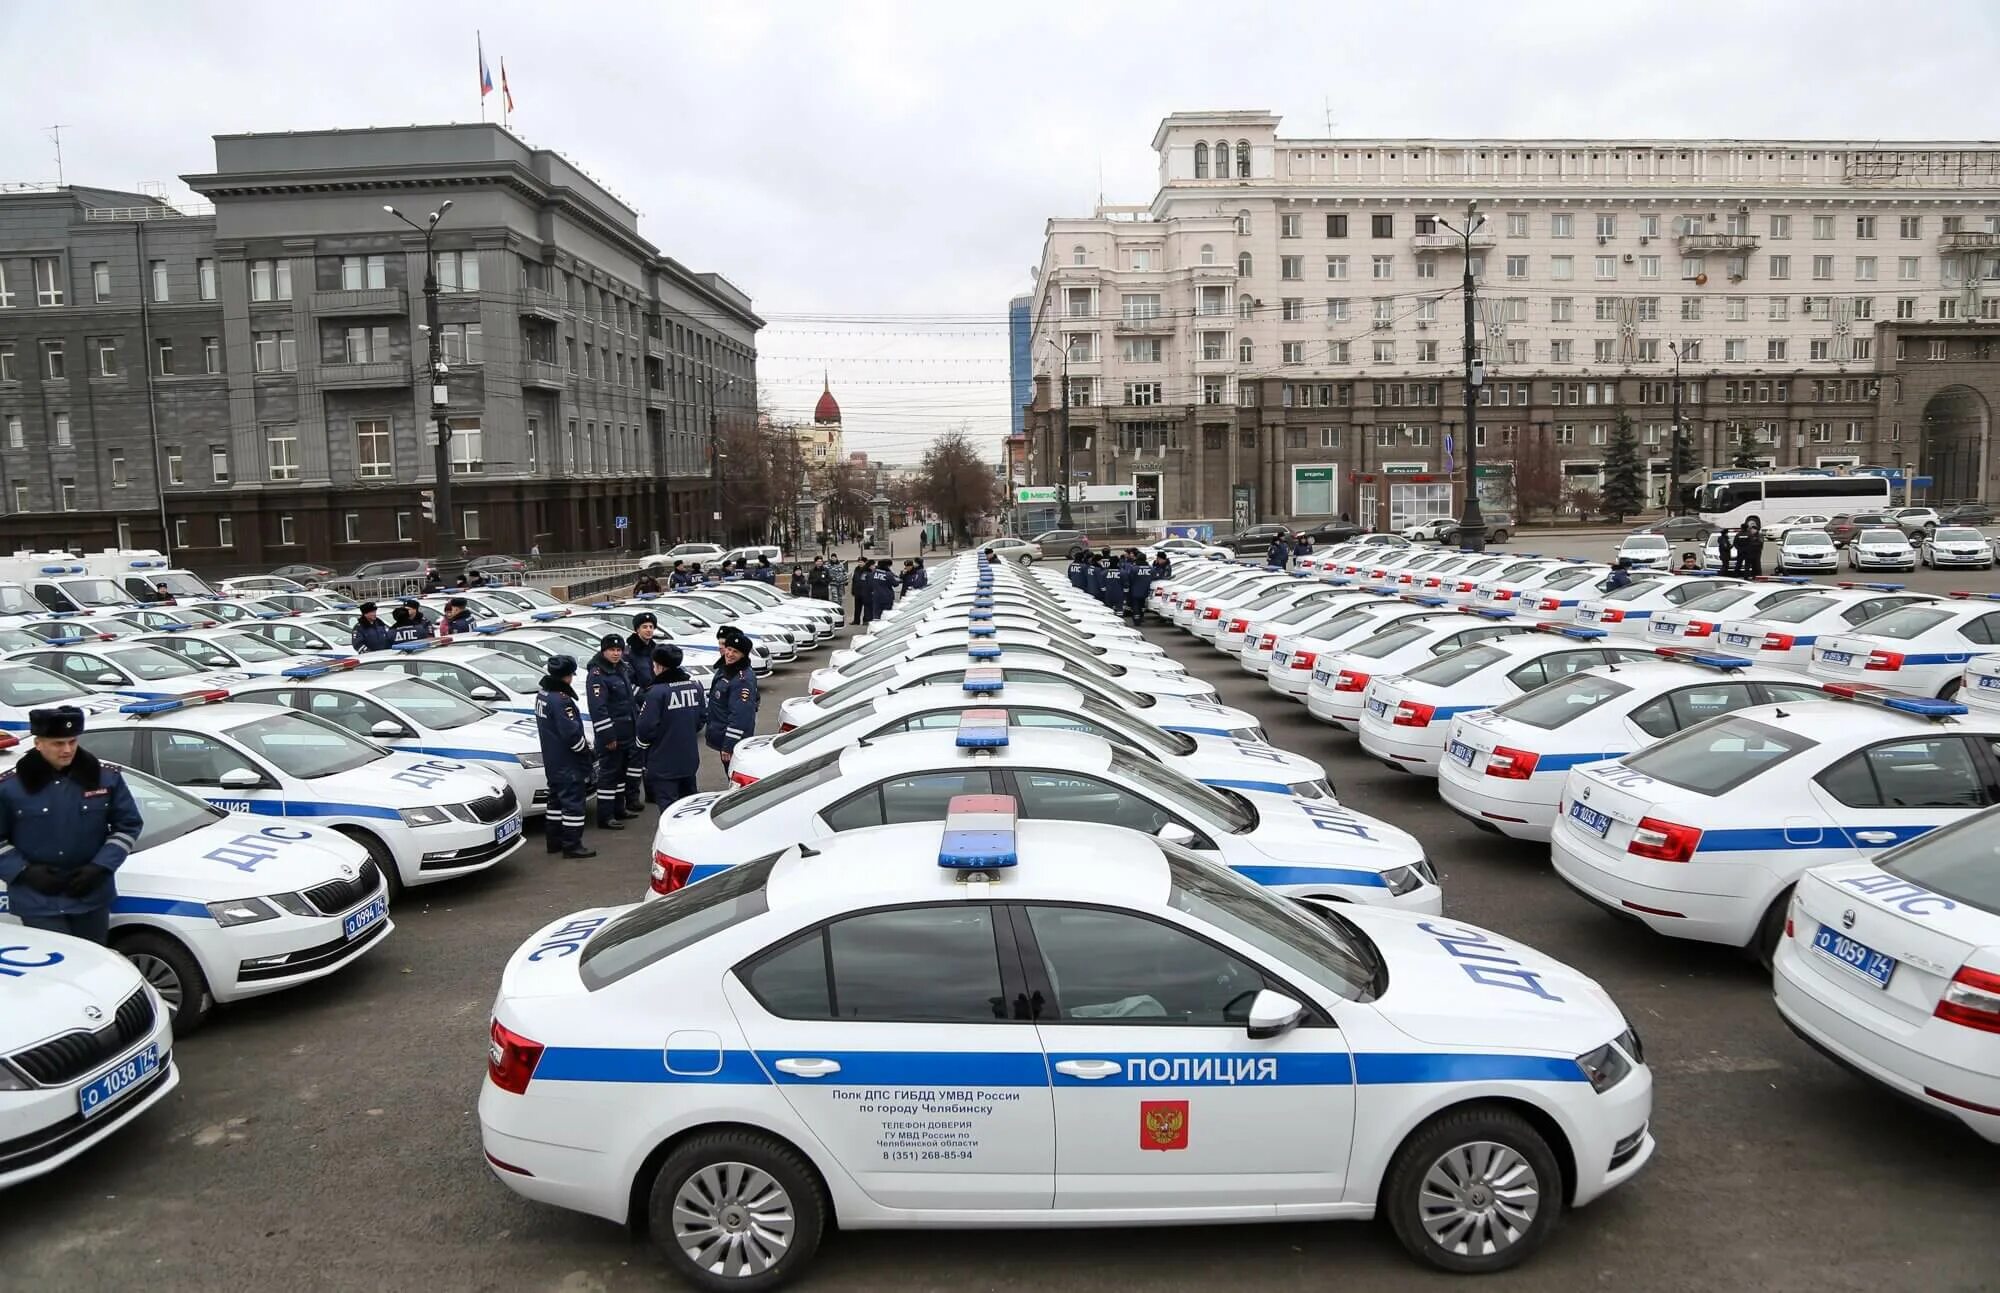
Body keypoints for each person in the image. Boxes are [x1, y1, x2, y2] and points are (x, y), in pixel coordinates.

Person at [0, 706, 142, 945]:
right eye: (57, 743)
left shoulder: (105, 778)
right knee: (58, 968)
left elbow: (127, 825)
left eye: (72, 742)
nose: (67, 750)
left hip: (91, 894)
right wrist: (24, 871)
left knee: (94, 964)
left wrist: (100, 867)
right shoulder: (10, 788)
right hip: (38, 899)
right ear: (38, 743)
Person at [534, 655, 594, 859]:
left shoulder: (542, 695)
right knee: (573, 805)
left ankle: (554, 841)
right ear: (566, 676)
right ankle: (572, 845)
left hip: (552, 759)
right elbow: (571, 734)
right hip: (567, 761)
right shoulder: (561, 700)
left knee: (555, 802)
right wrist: (585, 751)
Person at [635, 644, 706, 811]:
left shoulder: (656, 692)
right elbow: (701, 718)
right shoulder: (695, 686)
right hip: (689, 759)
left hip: (663, 762)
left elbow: (645, 728)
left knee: (669, 810)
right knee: (689, 807)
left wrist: (644, 748)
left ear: (659, 666)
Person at [585, 635, 639, 828]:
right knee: (609, 775)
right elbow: (598, 709)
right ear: (603, 651)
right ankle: (606, 816)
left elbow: (629, 702)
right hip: (612, 735)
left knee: (622, 773)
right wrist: (608, 735)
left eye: (619, 650)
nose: (616, 653)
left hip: (627, 731)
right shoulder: (597, 675)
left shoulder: (621, 668)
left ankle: (619, 808)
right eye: (612, 650)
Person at [705, 625, 760, 774]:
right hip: (722, 734)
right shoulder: (726, 669)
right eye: (728, 649)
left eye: (735, 651)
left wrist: (729, 745)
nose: (729, 654)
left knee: (735, 776)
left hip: (733, 741)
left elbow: (740, 715)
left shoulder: (742, 680)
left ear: (744, 655)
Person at [626, 612, 661, 681]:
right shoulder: (628, 652)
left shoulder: (657, 649)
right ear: (637, 630)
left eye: (651, 627)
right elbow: (628, 679)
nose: (649, 630)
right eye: (645, 627)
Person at [1124, 551, 1154, 624]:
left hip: (1135, 590)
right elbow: (1153, 578)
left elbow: (1130, 579)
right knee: (1142, 604)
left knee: (1136, 605)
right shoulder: (1150, 568)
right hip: (1146, 590)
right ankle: (1141, 616)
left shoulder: (1134, 568)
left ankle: (1136, 619)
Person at [850, 558, 873, 624]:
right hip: (857, 591)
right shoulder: (856, 569)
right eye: (859, 562)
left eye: (862, 562)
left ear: (865, 563)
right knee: (857, 608)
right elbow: (854, 580)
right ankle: (856, 620)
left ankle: (865, 620)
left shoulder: (868, 570)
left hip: (865, 592)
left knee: (866, 607)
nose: (860, 563)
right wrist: (853, 590)